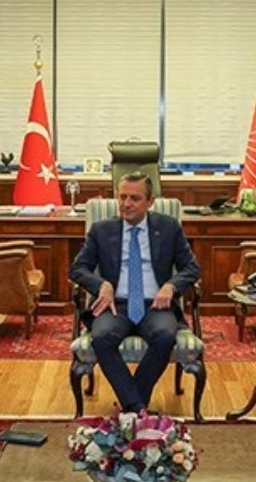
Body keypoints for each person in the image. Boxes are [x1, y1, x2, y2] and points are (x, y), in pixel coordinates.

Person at [68, 172, 202, 412]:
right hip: (115, 305)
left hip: (155, 305)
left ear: (150, 202)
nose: (126, 204)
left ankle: (131, 408)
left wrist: (171, 286)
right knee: (101, 338)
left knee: (165, 336)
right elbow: (78, 268)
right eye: (122, 197)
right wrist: (101, 285)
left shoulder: (168, 227)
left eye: (135, 198)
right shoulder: (101, 230)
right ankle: (137, 409)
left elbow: (192, 268)